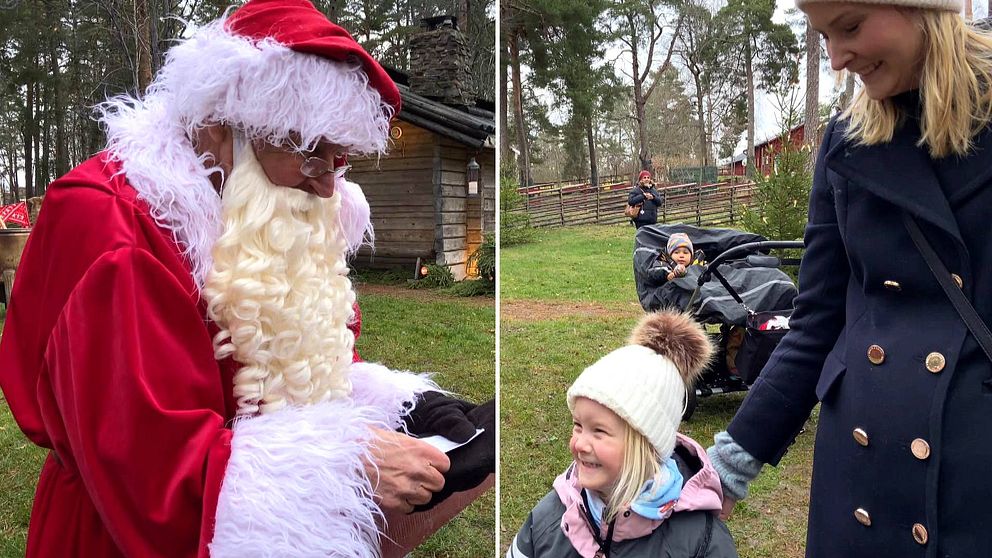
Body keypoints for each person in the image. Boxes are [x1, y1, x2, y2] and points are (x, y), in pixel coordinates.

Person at [0, 1, 493, 556]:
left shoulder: (271, 207)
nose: (328, 187)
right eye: (309, 153)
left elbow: (294, 362)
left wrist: (403, 408)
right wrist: (346, 459)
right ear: (221, 125)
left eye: (341, 158)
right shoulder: (111, 224)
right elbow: (148, 471)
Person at [706, 2, 992, 557]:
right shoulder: (846, 143)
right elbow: (815, 325)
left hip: (973, 489)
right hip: (859, 483)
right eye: (823, 35)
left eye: (851, 26)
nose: (837, 58)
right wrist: (728, 466)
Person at [507, 311, 737, 558]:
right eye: (577, 425)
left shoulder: (700, 541)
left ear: (646, 445)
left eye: (599, 431)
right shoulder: (551, 519)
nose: (580, 443)